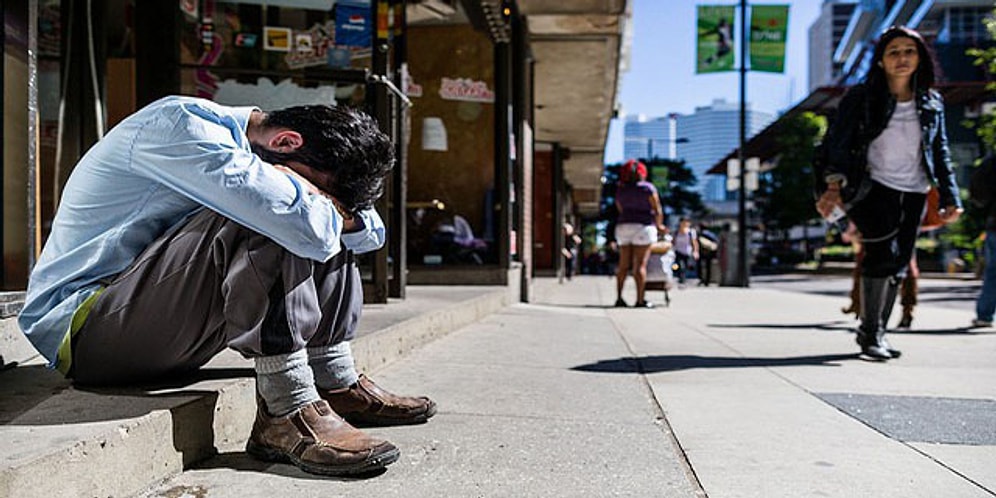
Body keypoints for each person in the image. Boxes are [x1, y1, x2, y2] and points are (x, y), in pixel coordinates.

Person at [18, 96, 436, 476]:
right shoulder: (180, 127)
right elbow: (294, 215)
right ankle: (284, 411)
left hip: (155, 327)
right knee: (277, 213)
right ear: (287, 141)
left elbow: (366, 230)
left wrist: (331, 208)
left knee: (305, 214)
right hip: (87, 331)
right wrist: (315, 204)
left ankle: (334, 382)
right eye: (323, 186)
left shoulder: (258, 150)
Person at [816, 26, 962, 360]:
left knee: (899, 261)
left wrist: (951, 195)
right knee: (881, 255)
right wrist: (834, 185)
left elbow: (940, 152)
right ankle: (870, 335)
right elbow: (839, 141)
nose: (902, 58)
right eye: (893, 51)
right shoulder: (862, 96)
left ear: (920, 58)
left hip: (915, 189)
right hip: (871, 186)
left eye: (909, 51)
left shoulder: (931, 102)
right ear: (881, 60)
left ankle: (878, 331)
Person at [613, 159, 667, 308]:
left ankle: (619, 298)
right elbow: (657, 209)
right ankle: (640, 300)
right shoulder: (648, 188)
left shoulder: (621, 189)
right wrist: (659, 225)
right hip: (643, 226)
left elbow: (619, 208)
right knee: (640, 266)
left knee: (623, 265)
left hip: (624, 225)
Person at [972, 154, 996, 328]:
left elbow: (978, 195)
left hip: (995, 223)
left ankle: (985, 316)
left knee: (993, 272)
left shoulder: (991, 162)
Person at [672, 218, 699, 286]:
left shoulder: (691, 232)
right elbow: (673, 242)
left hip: (687, 252)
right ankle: (682, 280)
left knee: (686, 266)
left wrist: (696, 251)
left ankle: (682, 278)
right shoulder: (676, 232)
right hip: (678, 251)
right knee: (681, 265)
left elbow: (694, 242)